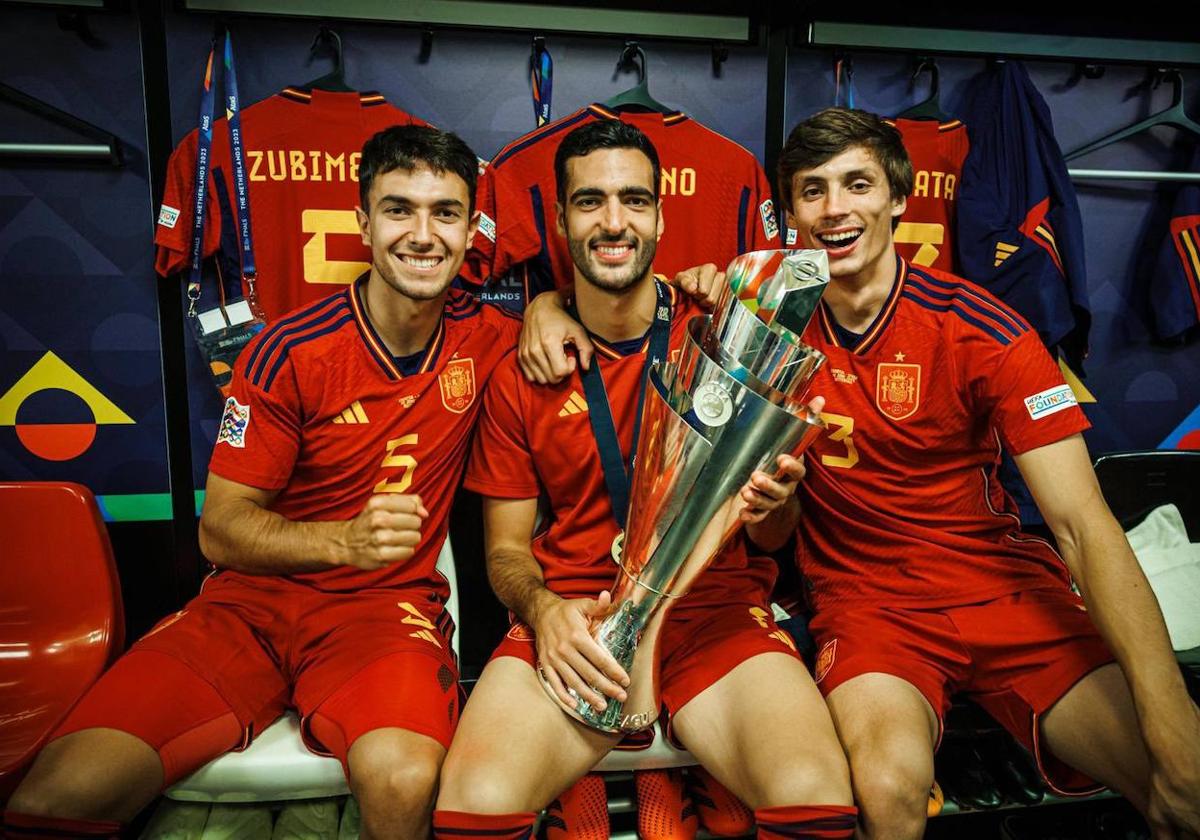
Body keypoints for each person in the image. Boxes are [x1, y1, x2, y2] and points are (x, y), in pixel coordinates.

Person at [537, 107, 1198, 839]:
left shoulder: (982, 329)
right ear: (789, 216)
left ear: (898, 198)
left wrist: (1173, 719)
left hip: (999, 587)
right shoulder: (760, 313)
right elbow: (626, 291)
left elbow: (1083, 525)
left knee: (1175, 776)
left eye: (858, 184)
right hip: (867, 604)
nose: (835, 209)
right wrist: (546, 305)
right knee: (887, 790)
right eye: (812, 191)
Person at [5, 125, 520, 840]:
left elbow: (590, 321)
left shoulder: (490, 336)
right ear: (362, 223)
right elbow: (221, 530)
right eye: (399, 209)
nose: (423, 234)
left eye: (446, 213)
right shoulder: (289, 350)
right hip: (249, 607)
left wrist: (553, 310)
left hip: (381, 613)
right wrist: (343, 541)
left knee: (404, 781)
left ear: (469, 230)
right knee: (59, 794)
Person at [432, 119, 856, 840]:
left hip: (713, 611)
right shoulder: (526, 369)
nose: (613, 221)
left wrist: (772, 505)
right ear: (561, 220)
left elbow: (773, 537)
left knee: (814, 795)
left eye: (633, 199)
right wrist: (543, 611)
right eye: (589, 201)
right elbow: (504, 553)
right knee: (474, 803)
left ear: (661, 216)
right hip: (580, 615)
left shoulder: (725, 329)